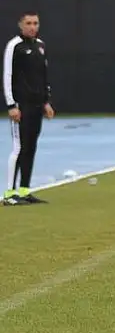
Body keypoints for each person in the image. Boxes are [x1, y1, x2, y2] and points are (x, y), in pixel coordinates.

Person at [3, 13, 55, 205]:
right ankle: (9, 193)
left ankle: (24, 190)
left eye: (35, 23)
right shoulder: (14, 46)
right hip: (21, 105)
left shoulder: (40, 46)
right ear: (20, 25)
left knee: (31, 147)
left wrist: (46, 102)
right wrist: (11, 105)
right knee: (19, 147)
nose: (32, 27)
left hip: (36, 105)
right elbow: (7, 76)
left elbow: (44, 76)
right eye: (28, 23)